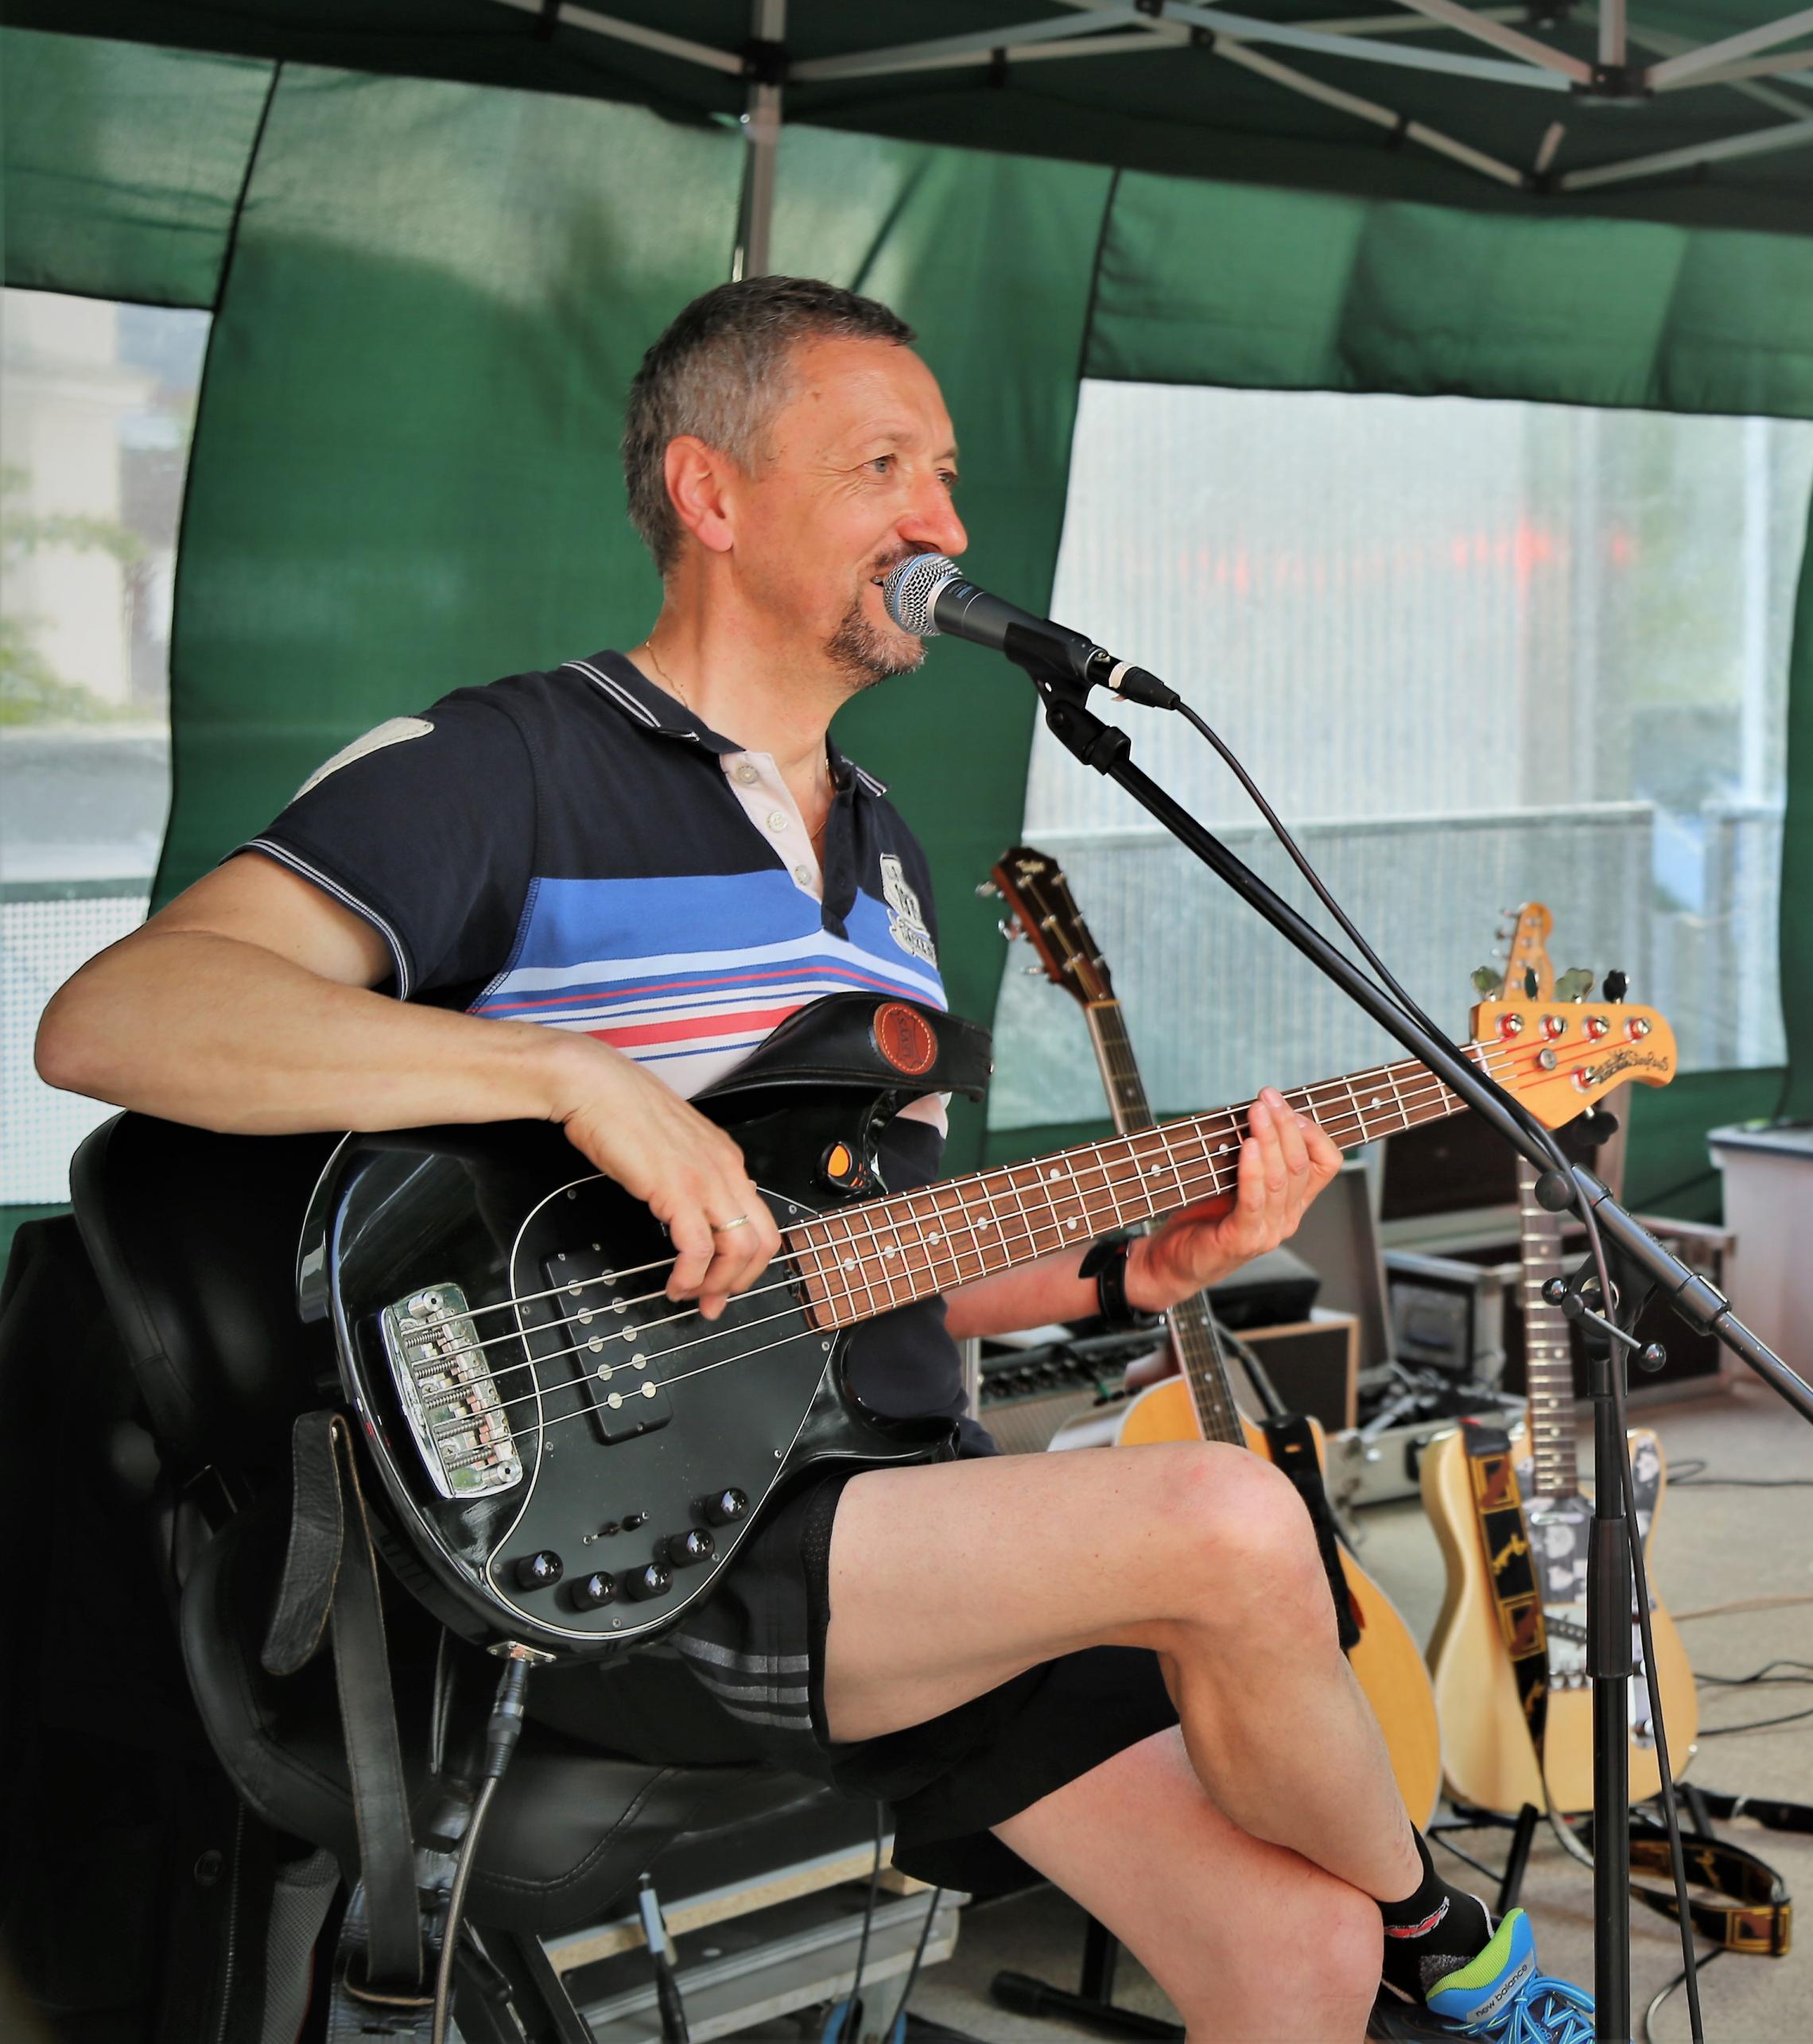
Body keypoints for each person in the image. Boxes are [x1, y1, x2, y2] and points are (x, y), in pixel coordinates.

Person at [36, 277, 1584, 2044]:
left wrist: (1129, 1268)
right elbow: (116, 1017)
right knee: (1228, 1517)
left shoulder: (888, 855)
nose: (945, 523)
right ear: (710, 493)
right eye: (882, 466)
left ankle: (1385, 1935)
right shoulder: (499, 767)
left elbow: (855, 1256)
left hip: (886, 1507)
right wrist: (565, 1076)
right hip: (629, 1538)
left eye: (946, 474)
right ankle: (1443, 1929)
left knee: (1289, 1948)